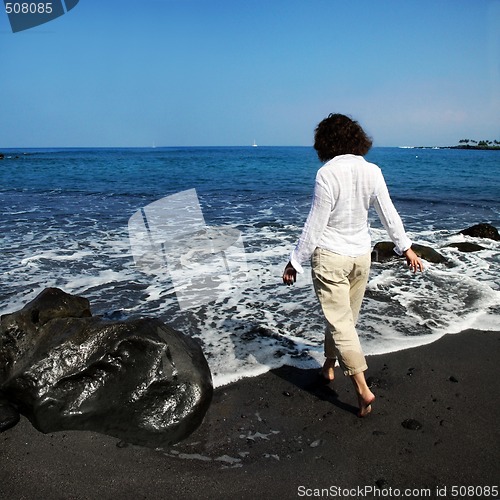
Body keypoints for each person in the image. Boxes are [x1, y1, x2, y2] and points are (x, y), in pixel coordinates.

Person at [282, 113, 424, 417]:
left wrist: (295, 260)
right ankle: (328, 367)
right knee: (343, 320)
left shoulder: (327, 174)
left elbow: (314, 225)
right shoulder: (372, 170)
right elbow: (389, 214)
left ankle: (362, 388)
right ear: (357, 138)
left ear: (325, 142)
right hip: (361, 257)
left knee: (341, 323)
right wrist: (406, 248)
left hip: (331, 256)